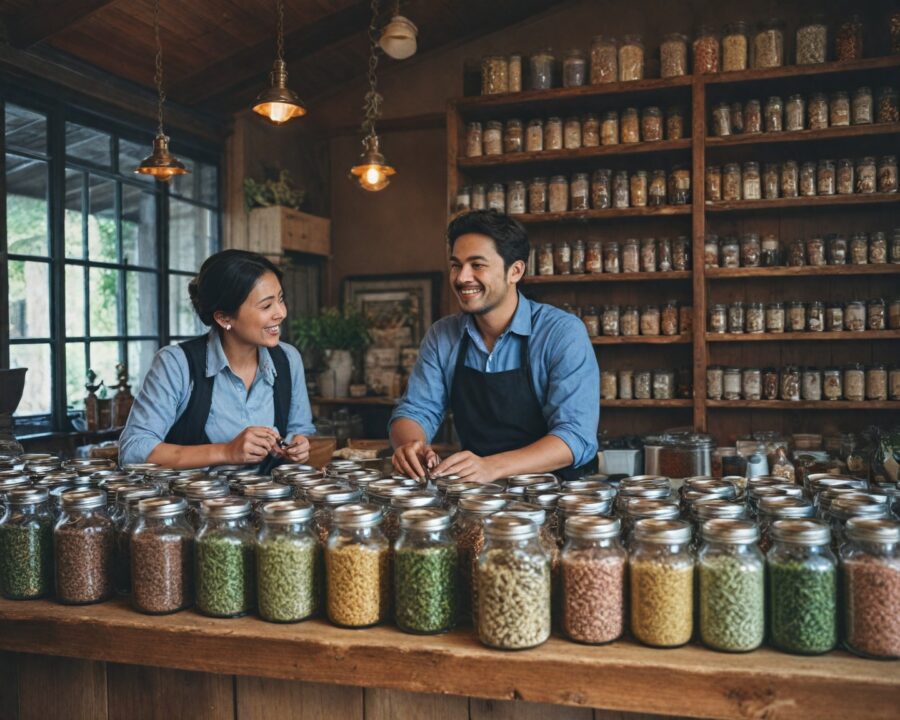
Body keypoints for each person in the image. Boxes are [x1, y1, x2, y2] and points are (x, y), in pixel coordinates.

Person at [391, 210, 599, 483]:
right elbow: (415, 411)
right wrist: (411, 445)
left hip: (557, 495)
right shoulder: (443, 335)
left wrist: (493, 467)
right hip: (477, 497)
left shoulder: (561, 333)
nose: (462, 277)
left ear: (515, 271)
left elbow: (575, 436)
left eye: (477, 265)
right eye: (456, 264)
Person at [119, 249, 315, 472]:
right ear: (223, 317)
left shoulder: (288, 359)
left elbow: (300, 428)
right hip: (193, 503)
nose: (281, 313)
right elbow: (133, 451)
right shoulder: (176, 364)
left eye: (281, 299)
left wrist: (296, 445)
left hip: (268, 502)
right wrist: (226, 451)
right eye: (266, 306)